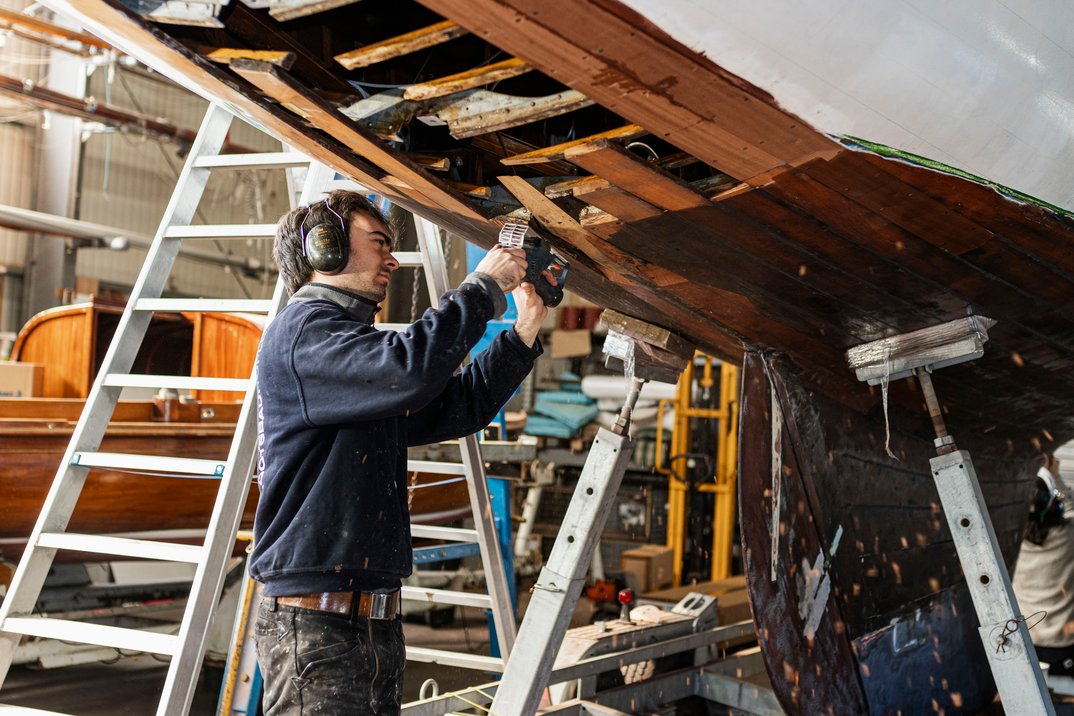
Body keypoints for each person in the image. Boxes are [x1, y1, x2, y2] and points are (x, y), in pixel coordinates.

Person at [250, 190, 547, 714]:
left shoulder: (348, 353)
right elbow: (409, 370)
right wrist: (481, 289)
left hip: (368, 618)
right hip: (318, 623)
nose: (391, 258)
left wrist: (522, 332)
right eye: (379, 243)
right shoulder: (303, 336)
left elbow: (460, 407)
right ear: (325, 249)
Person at [1013, 455, 1074, 677]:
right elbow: (1070, 504)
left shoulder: (1014, 541)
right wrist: (1053, 475)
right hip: (1063, 646)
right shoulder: (1069, 535)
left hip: (1025, 642)